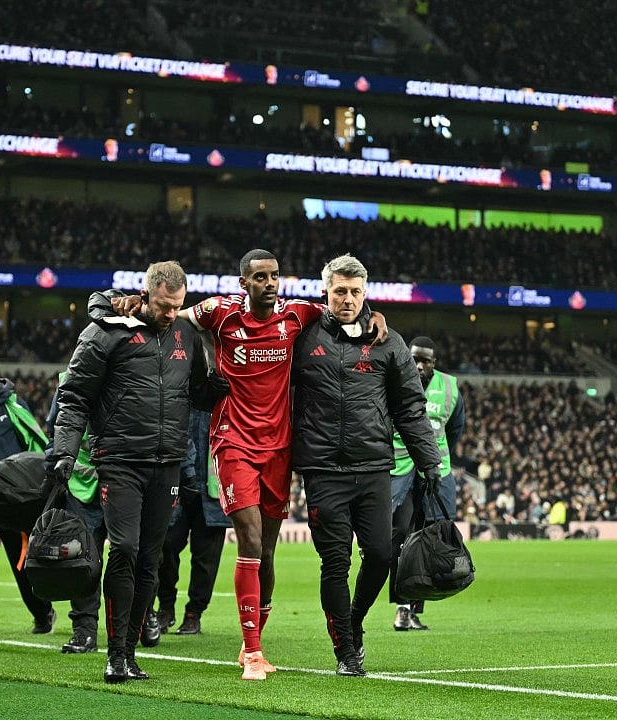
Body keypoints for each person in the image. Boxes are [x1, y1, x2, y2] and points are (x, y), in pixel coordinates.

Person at [113, 249, 386, 680]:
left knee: (269, 550)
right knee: (251, 541)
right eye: (260, 277)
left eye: (275, 276)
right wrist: (133, 302)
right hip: (233, 441)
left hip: (279, 449)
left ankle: (250, 643)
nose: (270, 283)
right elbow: (175, 315)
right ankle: (254, 652)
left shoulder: (297, 315)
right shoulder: (220, 312)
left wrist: (374, 314)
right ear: (244, 283)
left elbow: (342, 308)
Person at [51, 261, 205, 684]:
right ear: (146, 293)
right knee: (124, 549)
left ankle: (129, 652)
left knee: (150, 560)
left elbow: (200, 391)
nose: (171, 314)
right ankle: (115, 655)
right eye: (163, 305)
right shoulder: (107, 331)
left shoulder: (186, 336)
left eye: (178, 306)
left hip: (168, 462)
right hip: (119, 460)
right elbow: (74, 396)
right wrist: (64, 452)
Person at [291, 254, 441, 676]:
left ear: (365, 292)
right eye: (340, 290)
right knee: (335, 564)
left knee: (379, 555)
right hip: (322, 472)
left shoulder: (388, 341)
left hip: (375, 468)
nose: (348, 299)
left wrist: (428, 461)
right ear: (325, 291)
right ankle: (346, 650)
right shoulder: (302, 337)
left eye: (356, 291)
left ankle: (353, 620)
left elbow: (410, 407)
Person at [0, 372, 56, 638]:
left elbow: (34, 443)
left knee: (24, 565)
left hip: (12, 500)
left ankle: (43, 614)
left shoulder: (12, 405)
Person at [389, 336, 465, 632]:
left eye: (426, 361)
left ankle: (414, 609)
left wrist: (436, 458)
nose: (419, 366)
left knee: (433, 540)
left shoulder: (449, 387)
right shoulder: (392, 378)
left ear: (435, 363)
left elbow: (455, 429)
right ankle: (402, 607)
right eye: (415, 359)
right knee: (401, 537)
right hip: (400, 469)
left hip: (437, 472)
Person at [45, 371, 107, 655]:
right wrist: (54, 471)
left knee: (135, 554)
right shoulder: (68, 379)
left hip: (125, 483)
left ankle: (140, 619)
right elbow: (54, 429)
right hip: (82, 488)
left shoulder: (135, 368)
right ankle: (84, 631)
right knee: (83, 561)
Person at [155, 406, 230, 636]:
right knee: (164, 546)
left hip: (212, 490)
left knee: (206, 558)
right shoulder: (180, 386)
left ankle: (193, 614)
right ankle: (166, 607)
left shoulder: (225, 393)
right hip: (177, 484)